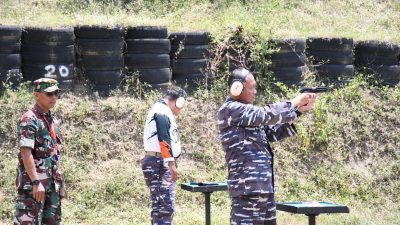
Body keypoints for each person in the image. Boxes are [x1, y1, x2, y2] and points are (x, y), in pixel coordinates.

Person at [217, 68, 317, 225]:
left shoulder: (247, 115)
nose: (255, 92)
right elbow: (265, 114)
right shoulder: (230, 109)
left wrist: (298, 111)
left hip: (263, 186)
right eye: (252, 88)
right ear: (237, 88)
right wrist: (294, 102)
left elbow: (272, 133)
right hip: (247, 188)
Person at [14, 78, 66, 225]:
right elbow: (26, 153)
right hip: (34, 186)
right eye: (49, 94)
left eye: (56, 93)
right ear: (37, 95)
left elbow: (54, 153)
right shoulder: (29, 119)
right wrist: (36, 182)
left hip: (51, 186)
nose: (54, 97)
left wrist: (60, 184)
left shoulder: (52, 120)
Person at [141, 87, 187, 225]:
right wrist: (171, 164)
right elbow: (164, 138)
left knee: (160, 206)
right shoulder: (162, 111)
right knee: (164, 206)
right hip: (160, 163)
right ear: (179, 101)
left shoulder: (160, 110)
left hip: (158, 161)